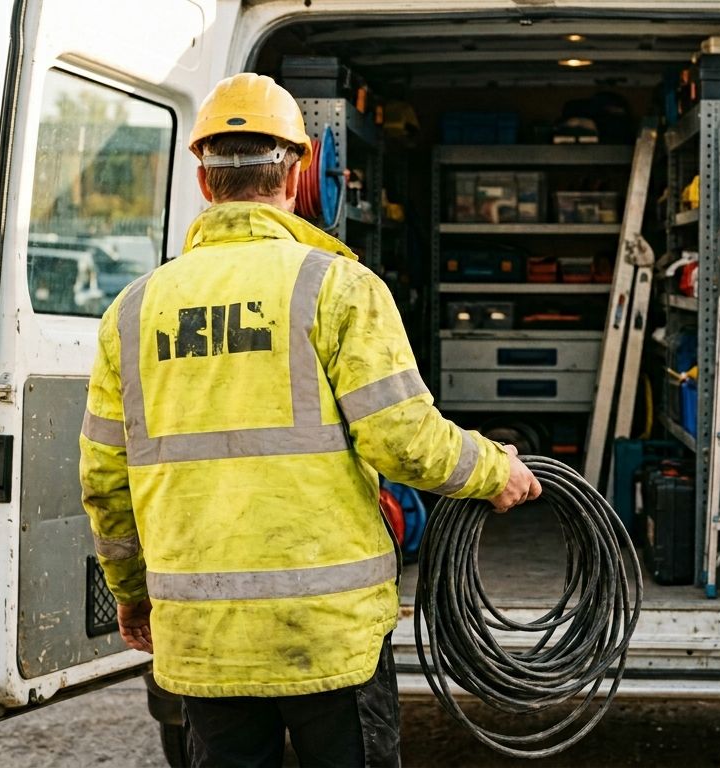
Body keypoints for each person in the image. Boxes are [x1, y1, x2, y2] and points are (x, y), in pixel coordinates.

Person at [78, 73, 541, 768]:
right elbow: (404, 441)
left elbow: (104, 484)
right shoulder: (339, 287)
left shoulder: (133, 311)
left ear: (204, 183)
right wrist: (494, 470)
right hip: (330, 637)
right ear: (297, 176)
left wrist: (132, 596)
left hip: (205, 638)